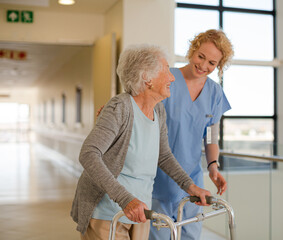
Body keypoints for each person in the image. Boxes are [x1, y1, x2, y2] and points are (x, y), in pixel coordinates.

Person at [70, 44, 211, 240]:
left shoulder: (158, 110)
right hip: (109, 213)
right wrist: (126, 200)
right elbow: (88, 154)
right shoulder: (120, 107)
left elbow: (164, 155)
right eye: (166, 71)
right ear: (147, 79)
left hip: (141, 212)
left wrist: (190, 186)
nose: (172, 78)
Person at [149, 29, 234, 240]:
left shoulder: (214, 93)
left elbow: (211, 136)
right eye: (201, 57)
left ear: (218, 66)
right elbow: (140, 108)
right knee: (158, 234)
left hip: (192, 178)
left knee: (190, 233)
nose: (204, 66)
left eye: (212, 63)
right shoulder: (166, 78)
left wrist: (213, 166)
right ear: (192, 50)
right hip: (158, 175)